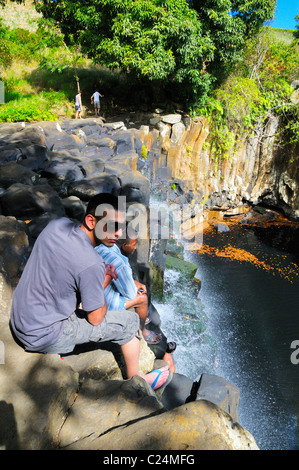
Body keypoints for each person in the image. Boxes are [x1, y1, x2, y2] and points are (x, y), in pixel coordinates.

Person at [9, 193, 170, 390]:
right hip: (42, 335)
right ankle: (138, 381)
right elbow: (95, 318)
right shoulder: (91, 263)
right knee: (129, 322)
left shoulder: (57, 225)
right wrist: (104, 280)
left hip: (20, 318)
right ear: (91, 221)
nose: (118, 234)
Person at [95, 232, 162, 344]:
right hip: (104, 304)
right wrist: (134, 285)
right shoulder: (120, 263)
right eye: (133, 244)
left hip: (94, 292)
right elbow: (130, 294)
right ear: (124, 246)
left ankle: (141, 317)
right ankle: (142, 330)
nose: (135, 247)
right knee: (142, 298)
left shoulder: (101, 247)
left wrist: (134, 282)